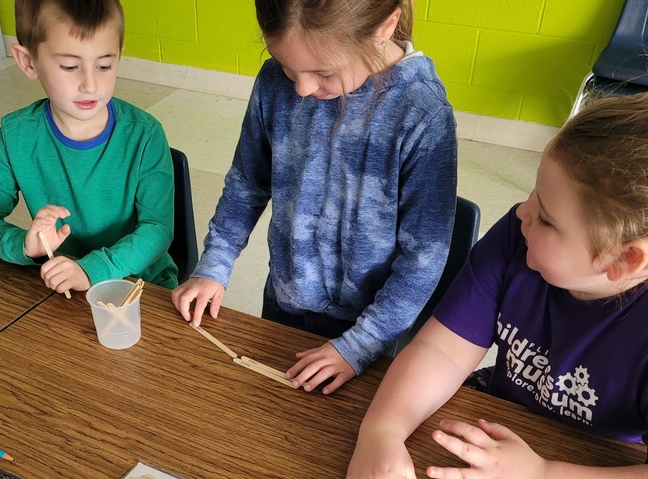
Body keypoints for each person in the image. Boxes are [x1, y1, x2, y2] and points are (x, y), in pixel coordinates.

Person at [335, 88, 648, 479]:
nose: (523, 212)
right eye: (535, 194)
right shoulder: (523, 236)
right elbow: (442, 348)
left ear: (624, 261)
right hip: (501, 438)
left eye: (549, 219)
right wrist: (382, 430)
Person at [171, 0, 456, 394]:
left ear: (385, 27)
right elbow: (246, 183)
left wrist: (358, 345)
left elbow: (424, 258)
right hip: (284, 301)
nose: (302, 88)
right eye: (287, 66)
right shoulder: (275, 83)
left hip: (366, 330)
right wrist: (214, 265)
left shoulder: (422, 113)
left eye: (324, 73)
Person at [0, 0, 177, 294]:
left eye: (104, 65)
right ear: (28, 62)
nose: (90, 84)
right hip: (57, 282)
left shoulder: (145, 135)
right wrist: (25, 245)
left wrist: (91, 270)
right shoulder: (16, 135)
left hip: (141, 283)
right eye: (69, 66)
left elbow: (158, 230)